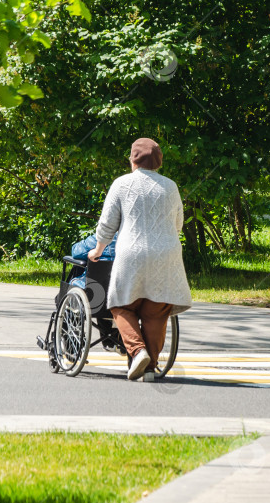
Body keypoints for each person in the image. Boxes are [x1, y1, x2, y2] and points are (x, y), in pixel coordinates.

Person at [88, 137, 192, 381]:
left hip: (132, 253)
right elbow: (178, 224)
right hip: (167, 254)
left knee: (120, 305)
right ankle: (149, 368)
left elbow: (107, 223)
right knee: (157, 310)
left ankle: (138, 352)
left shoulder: (122, 184)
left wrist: (98, 249)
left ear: (133, 159)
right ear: (159, 161)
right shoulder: (170, 186)